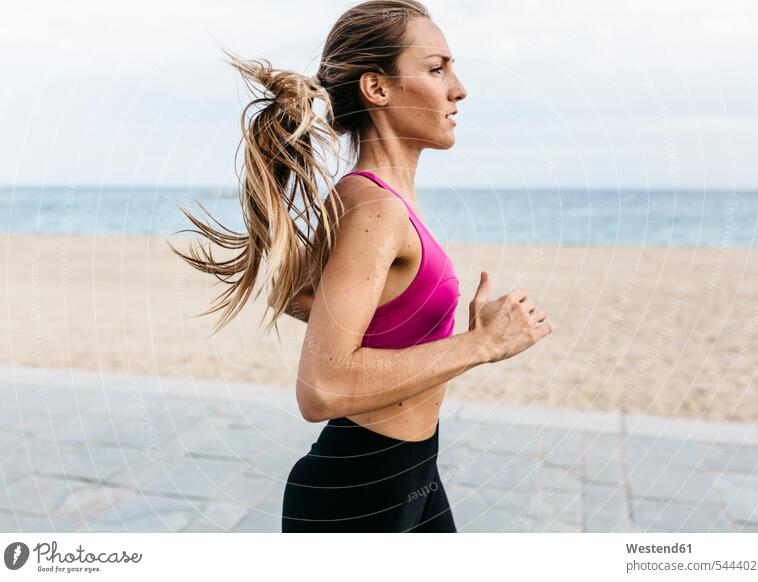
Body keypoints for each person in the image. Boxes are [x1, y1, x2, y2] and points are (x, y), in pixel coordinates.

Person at [169, 0, 553, 532]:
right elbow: (321, 388)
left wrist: (410, 326)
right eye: (437, 68)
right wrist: (480, 345)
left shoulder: (379, 200)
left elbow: (302, 296)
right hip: (358, 492)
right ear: (377, 88)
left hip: (413, 471)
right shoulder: (373, 206)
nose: (458, 88)